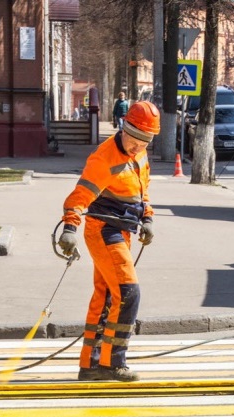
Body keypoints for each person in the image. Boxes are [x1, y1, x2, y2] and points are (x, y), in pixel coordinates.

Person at [57, 101, 160, 382]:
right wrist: (69, 228)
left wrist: (147, 218)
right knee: (128, 292)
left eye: (146, 142)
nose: (139, 147)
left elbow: (143, 191)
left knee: (105, 296)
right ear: (124, 128)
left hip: (122, 230)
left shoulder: (139, 154)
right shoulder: (104, 158)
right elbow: (80, 196)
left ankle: (90, 364)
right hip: (104, 230)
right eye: (136, 140)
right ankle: (112, 362)